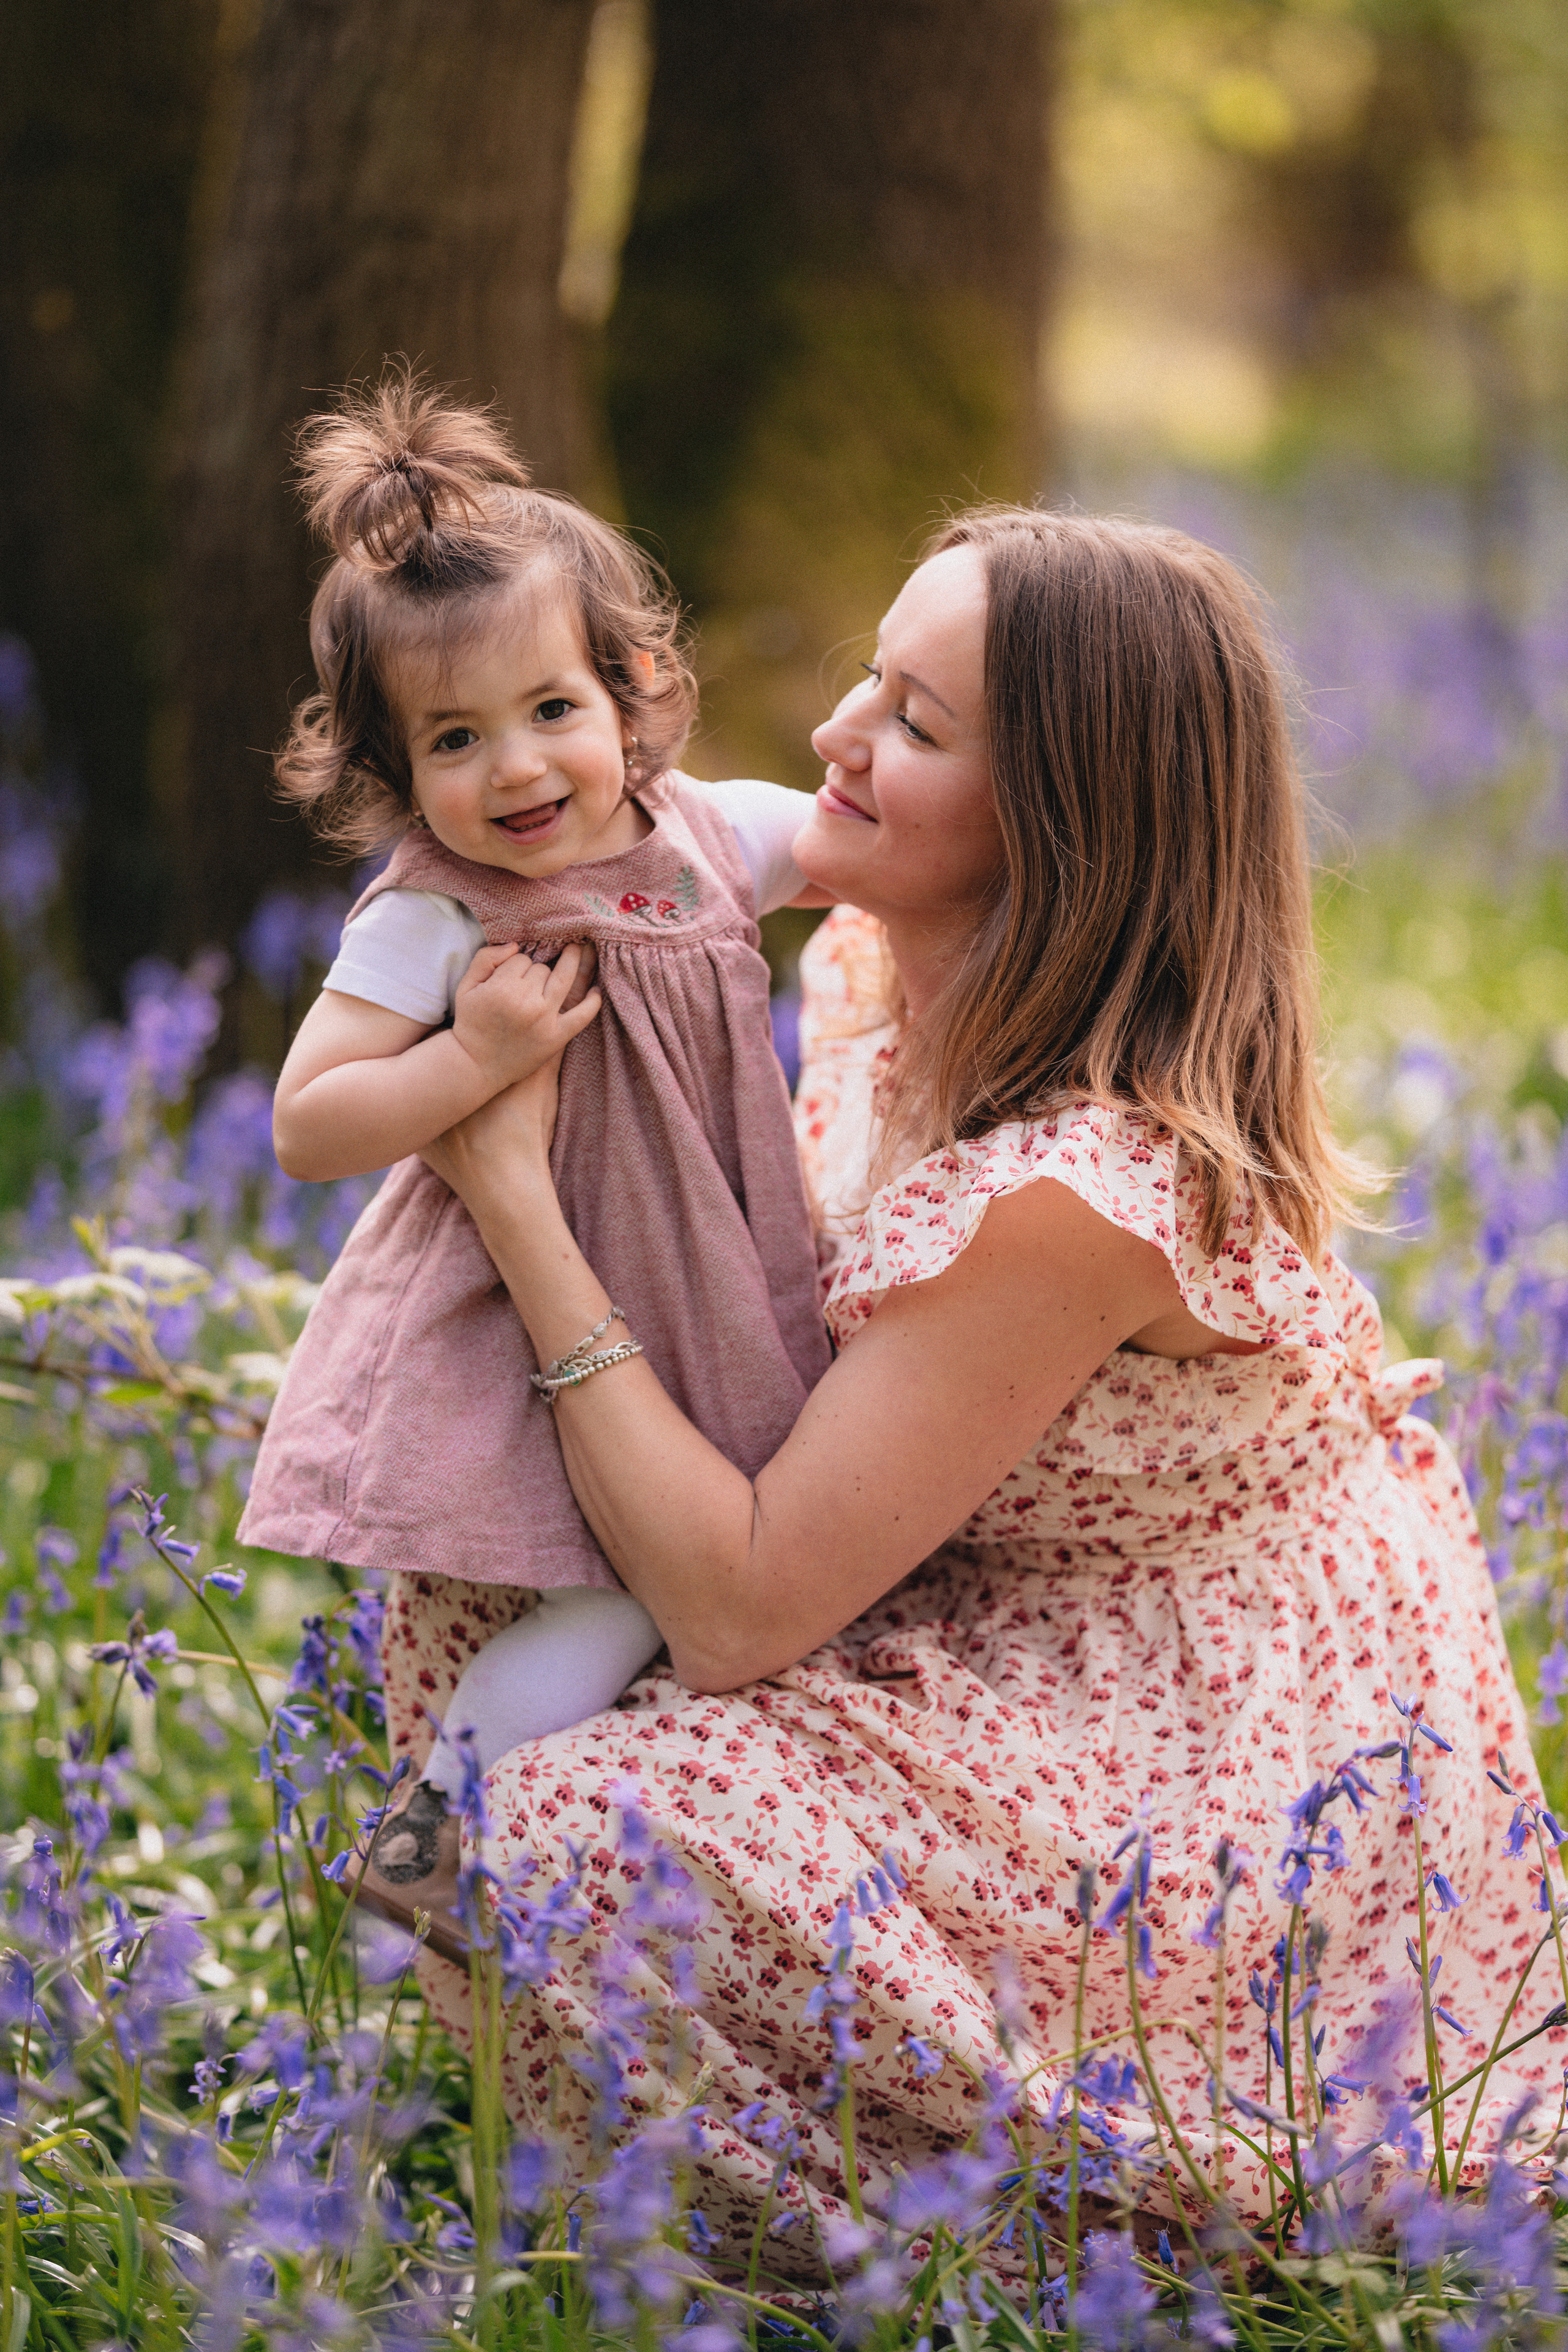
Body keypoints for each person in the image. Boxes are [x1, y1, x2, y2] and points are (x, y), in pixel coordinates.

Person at [390, 507, 1558, 2252]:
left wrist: (511, 1193)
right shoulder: (878, 976)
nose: (833, 738)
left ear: (1065, 829)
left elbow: (733, 1614)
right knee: (471, 1579)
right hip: (1002, 1603)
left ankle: (904, 2236)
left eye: (918, 727)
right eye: (876, 677)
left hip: (1208, 1754)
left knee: (566, 1827)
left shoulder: (1075, 1194)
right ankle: (614, 2155)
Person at [237, 374, 831, 1954]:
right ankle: (432, 1834)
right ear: (389, 766)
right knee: (614, 1588)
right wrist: (473, 1063)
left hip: (703, 1277)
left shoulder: (704, 833)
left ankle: (627, 1884)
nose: (514, 770)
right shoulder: (433, 911)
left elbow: (853, 847)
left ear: (631, 695)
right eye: (454, 737)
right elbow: (310, 1122)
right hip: (528, 1311)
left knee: (719, 1569)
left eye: (552, 712)